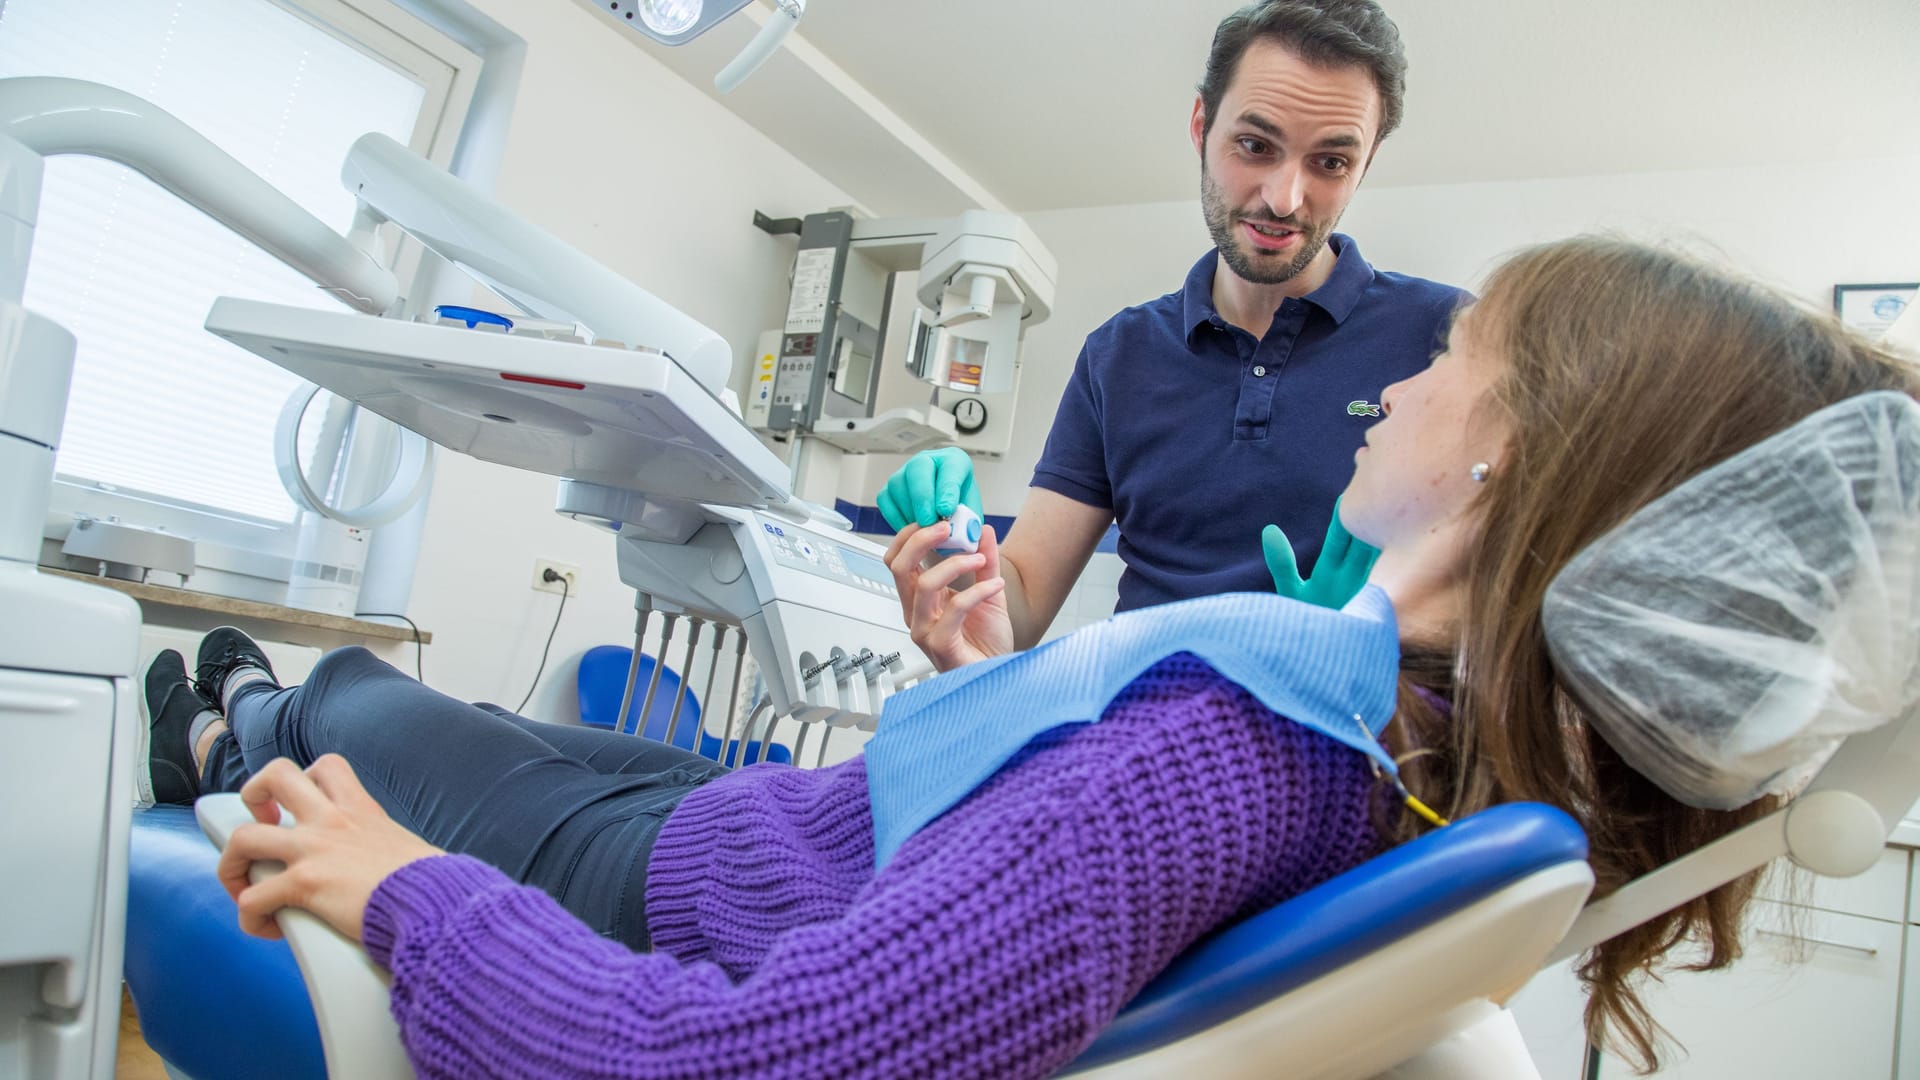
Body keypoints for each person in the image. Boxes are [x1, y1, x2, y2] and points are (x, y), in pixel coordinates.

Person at [144, 237, 1916, 1077]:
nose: (1401, 377)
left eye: (1460, 355)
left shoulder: (1243, 758)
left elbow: (743, 1075)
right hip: (784, 830)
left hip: (680, 894)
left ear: (1508, 454)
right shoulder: (1411, 737)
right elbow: (1037, 851)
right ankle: (244, 699)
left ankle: (233, 717)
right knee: (450, 711)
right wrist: (989, 667)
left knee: (365, 706)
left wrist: (401, 894)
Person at [879, 0, 1469, 671]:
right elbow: (1018, 609)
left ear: (1367, 162)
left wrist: (1371, 642)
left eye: (1330, 162)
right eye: (1255, 146)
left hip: (1349, 754)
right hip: (1133, 745)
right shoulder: (1119, 355)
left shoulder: (1448, 341)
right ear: (1201, 125)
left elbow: (1512, 596)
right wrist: (958, 560)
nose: (1284, 197)